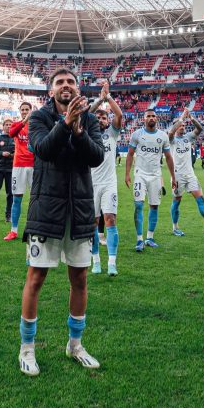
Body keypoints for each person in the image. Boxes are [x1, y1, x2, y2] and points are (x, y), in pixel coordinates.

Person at [18, 68, 105, 376]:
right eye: (60, 82)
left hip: (79, 210)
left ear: (77, 88)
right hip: (47, 211)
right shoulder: (40, 118)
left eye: (71, 82)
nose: (66, 86)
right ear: (51, 91)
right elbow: (43, 150)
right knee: (36, 278)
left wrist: (79, 131)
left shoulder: (90, 120)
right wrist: (66, 123)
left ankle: (75, 344)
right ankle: (27, 348)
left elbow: (97, 157)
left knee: (79, 279)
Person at [125, 109, 175, 251]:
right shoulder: (136, 134)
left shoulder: (163, 136)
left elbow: (169, 158)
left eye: (153, 116)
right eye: (148, 116)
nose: (151, 118)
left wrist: (173, 177)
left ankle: (150, 237)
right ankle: (139, 239)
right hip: (140, 174)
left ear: (157, 118)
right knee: (139, 205)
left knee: (154, 206)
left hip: (155, 176)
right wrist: (127, 174)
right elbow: (130, 154)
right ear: (144, 119)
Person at [167, 106, 204, 237]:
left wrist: (190, 117)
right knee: (177, 201)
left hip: (190, 175)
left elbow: (200, 129)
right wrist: (181, 117)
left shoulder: (188, 137)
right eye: (180, 125)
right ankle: (175, 227)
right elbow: (170, 133)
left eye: (184, 125)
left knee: (201, 199)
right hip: (177, 175)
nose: (183, 126)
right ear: (176, 126)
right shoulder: (171, 140)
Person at [87, 80, 124, 276]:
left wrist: (107, 98)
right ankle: (96, 260)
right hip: (90, 183)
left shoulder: (112, 134)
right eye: (98, 116)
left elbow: (119, 114)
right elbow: (84, 115)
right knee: (93, 222)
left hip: (109, 183)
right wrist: (98, 100)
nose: (101, 119)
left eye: (104, 117)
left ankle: (112, 262)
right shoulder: (87, 132)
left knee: (110, 219)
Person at [5, 101, 35, 241]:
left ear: (31, 110)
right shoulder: (16, 124)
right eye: (22, 109)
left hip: (34, 165)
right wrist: (24, 121)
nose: (24, 111)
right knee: (17, 198)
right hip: (19, 166)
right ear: (20, 111)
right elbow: (11, 133)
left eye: (27, 109)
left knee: (36, 199)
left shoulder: (35, 124)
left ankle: (33, 228)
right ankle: (14, 230)